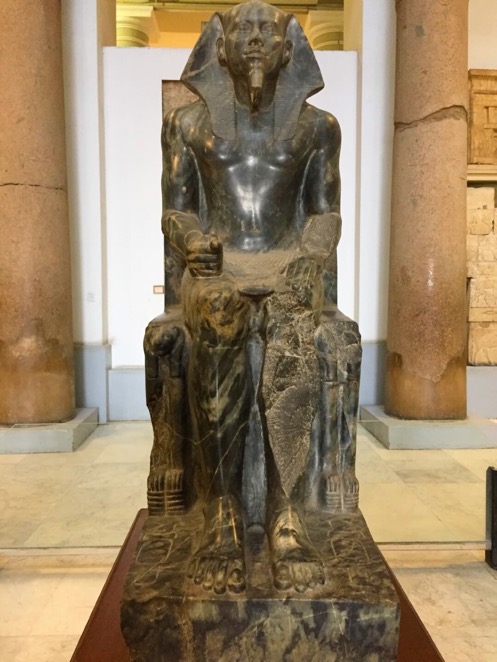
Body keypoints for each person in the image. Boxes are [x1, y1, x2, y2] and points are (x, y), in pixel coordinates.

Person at [146, 0, 361, 596]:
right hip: (217, 269)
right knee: (220, 314)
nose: (258, 40)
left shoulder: (318, 128)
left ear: (290, 50)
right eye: (245, 29)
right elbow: (177, 209)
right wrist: (192, 242)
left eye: (270, 31)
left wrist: (310, 256)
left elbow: (324, 213)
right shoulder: (187, 125)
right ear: (220, 47)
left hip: (287, 265)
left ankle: (286, 512)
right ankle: (222, 513)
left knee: (291, 325)